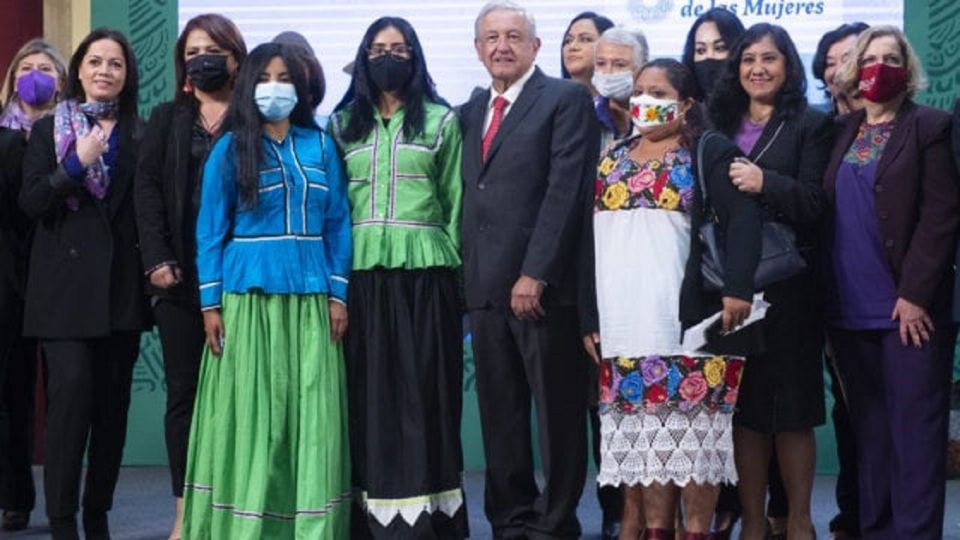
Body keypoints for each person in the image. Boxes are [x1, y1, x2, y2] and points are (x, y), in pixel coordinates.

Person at [182, 42, 352, 539]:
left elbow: (339, 224)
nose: (275, 88)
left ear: (300, 88)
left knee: (310, 416)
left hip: (312, 297)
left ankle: (311, 528)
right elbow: (210, 230)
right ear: (248, 86)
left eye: (285, 78)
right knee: (255, 417)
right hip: (247, 299)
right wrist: (210, 303)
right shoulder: (230, 149)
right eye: (265, 78)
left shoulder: (320, 146)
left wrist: (339, 294)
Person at [586, 57, 761, 540]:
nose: (646, 101)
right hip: (624, 326)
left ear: (685, 104)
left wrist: (737, 290)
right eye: (640, 90)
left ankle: (698, 531)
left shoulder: (706, 153)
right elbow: (588, 244)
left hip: (690, 326)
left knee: (694, 445)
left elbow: (744, 222)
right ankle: (659, 530)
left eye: (660, 93)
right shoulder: (611, 159)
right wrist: (589, 316)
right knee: (648, 446)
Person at [460, 1, 600, 537]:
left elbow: (565, 192)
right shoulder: (469, 110)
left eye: (514, 36)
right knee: (501, 416)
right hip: (484, 289)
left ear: (536, 47)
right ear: (477, 50)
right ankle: (511, 518)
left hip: (542, 291)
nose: (502, 45)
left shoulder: (563, 99)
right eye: (491, 37)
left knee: (558, 416)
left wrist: (534, 272)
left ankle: (555, 519)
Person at [329, 16, 467, 539]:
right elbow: (334, 211)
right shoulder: (341, 125)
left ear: (416, 57)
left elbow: (455, 204)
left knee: (424, 393)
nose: (389, 57)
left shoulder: (441, 120)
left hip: (426, 277)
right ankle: (365, 522)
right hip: (359, 279)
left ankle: (430, 521)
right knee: (365, 396)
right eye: (379, 48)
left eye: (400, 48)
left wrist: (458, 285)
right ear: (363, 58)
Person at [825, 25, 959, 540]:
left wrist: (915, 295)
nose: (881, 66)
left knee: (915, 434)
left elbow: (941, 216)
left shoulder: (931, 126)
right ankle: (877, 530)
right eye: (872, 57)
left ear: (909, 69)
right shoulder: (840, 131)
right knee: (871, 436)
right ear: (855, 70)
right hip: (846, 308)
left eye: (892, 57)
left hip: (909, 311)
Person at [18, 28, 147, 540]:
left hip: (120, 292)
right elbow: (31, 203)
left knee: (111, 410)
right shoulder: (51, 129)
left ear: (127, 75)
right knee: (70, 400)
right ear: (79, 68)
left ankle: (98, 515)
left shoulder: (141, 133)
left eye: (115, 64)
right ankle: (62, 520)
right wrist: (75, 164)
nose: (104, 71)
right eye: (95, 61)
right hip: (62, 294)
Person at [708, 23, 832, 540]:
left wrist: (766, 183)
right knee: (744, 411)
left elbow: (816, 203)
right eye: (747, 59)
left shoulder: (811, 123)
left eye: (770, 59)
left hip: (788, 289)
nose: (757, 68)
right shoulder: (716, 122)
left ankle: (799, 521)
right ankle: (754, 522)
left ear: (788, 66)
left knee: (792, 411)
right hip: (724, 284)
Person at [133, 13, 246, 540]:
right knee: (184, 397)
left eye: (214, 49)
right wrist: (157, 259)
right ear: (183, 62)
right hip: (179, 284)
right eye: (194, 49)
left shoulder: (254, 118)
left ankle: (237, 508)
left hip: (243, 283)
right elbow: (147, 191)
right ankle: (184, 512)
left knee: (242, 397)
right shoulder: (166, 118)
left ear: (236, 57)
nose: (204, 58)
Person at [0, 37, 67, 533]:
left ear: (62, 80)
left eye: (45, 67)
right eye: (27, 67)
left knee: (68, 391)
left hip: (62, 273)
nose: (35, 75)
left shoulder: (76, 132)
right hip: (6, 278)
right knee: (10, 393)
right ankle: (14, 496)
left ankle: (70, 499)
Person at [810, 21, 869, 540]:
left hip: (891, 296)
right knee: (848, 410)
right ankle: (853, 512)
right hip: (832, 292)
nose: (840, 68)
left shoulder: (909, 127)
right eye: (830, 60)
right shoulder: (821, 130)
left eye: (851, 56)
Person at [591, 27, 649, 148]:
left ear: (643, 67)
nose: (608, 71)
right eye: (601, 63)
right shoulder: (585, 115)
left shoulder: (658, 115)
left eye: (619, 64)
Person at [681, 8, 745, 102]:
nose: (709, 56)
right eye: (701, 50)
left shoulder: (757, 108)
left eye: (720, 48)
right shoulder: (685, 109)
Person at [812, 22, 870, 115]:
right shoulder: (820, 125)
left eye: (847, 60)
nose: (839, 71)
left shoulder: (897, 122)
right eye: (830, 64)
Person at [560, 11, 614, 85]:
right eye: (568, 41)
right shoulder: (551, 95)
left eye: (585, 39)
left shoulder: (628, 95)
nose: (572, 47)